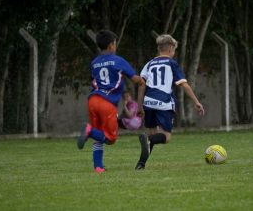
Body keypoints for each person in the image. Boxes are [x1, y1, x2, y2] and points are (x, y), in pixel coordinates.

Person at [77, 30, 144, 174]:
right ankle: (88, 131)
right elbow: (135, 79)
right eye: (115, 43)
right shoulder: (118, 60)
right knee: (111, 138)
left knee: (98, 134)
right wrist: (143, 80)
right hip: (107, 103)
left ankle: (98, 167)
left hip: (93, 100)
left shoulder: (94, 63)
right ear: (111, 45)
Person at [135, 34, 205, 170]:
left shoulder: (149, 64)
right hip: (164, 102)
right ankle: (148, 140)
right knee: (166, 137)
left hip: (148, 102)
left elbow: (141, 85)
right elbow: (183, 84)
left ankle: (141, 164)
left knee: (151, 134)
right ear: (171, 48)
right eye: (174, 50)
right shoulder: (172, 63)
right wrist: (196, 101)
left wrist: (139, 106)